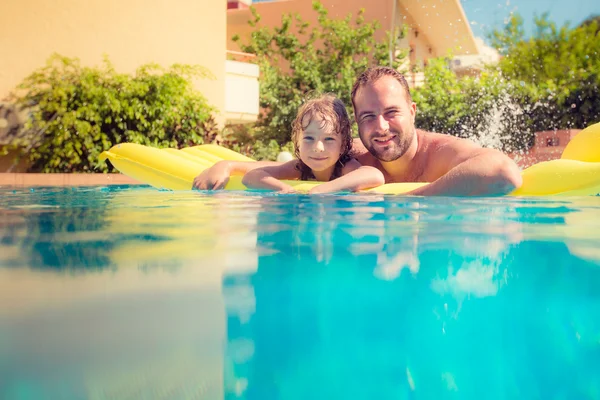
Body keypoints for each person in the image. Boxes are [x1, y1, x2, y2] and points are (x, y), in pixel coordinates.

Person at [193, 66, 522, 196]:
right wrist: (229, 166)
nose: (380, 127)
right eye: (368, 116)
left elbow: (504, 171)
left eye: (391, 112)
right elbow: (295, 166)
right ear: (356, 122)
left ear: (412, 111)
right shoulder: (351, 154)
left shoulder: (440, 153)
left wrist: (408, 201)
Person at [241, 94, 384, 194]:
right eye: (309, 138)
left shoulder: (343, 166)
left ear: (342, 144)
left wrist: (322, 189)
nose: (318, 148)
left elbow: (374, 175)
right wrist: (283, 188)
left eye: (329, 139)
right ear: (297, 141)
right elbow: (251, 177)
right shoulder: (300, 167)